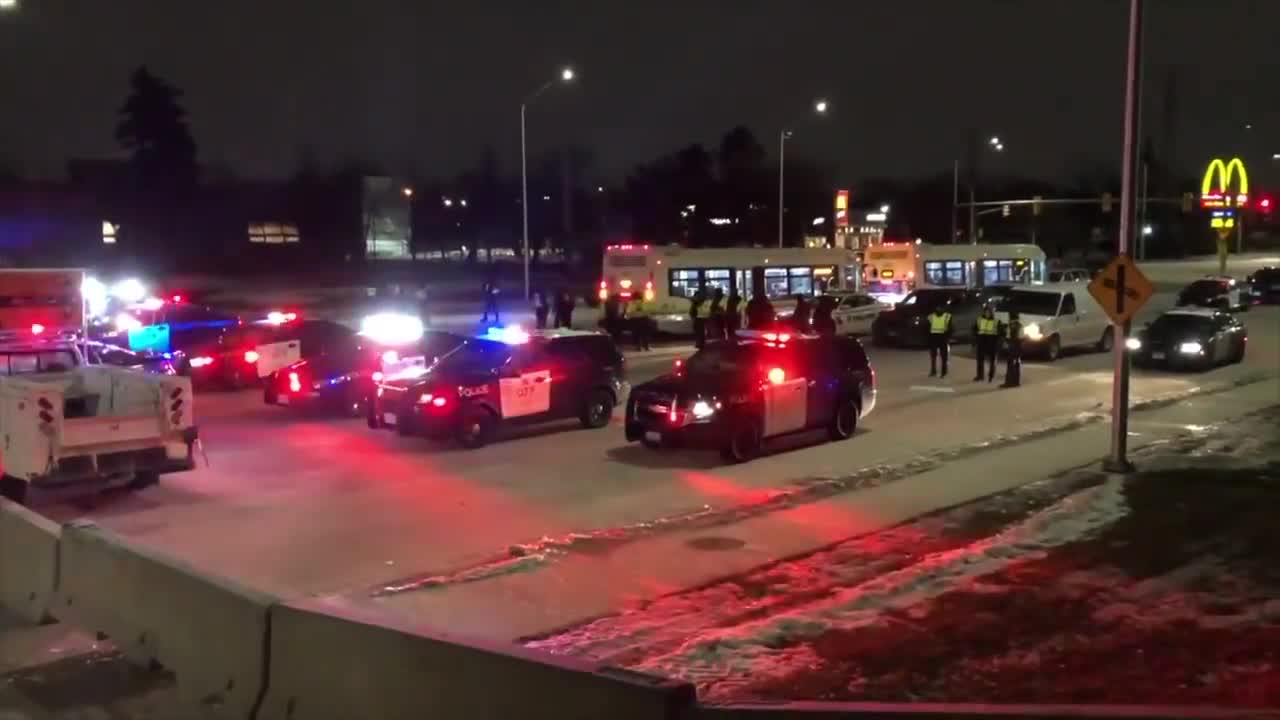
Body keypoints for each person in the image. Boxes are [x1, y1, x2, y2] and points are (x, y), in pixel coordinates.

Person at [972, 303, 1000, 382]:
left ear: (991, 312)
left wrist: (997, 341)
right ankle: (980, 376)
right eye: (986, 312)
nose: (987, 313)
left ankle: (991, 375)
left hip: (992, 343)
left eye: (989, 312)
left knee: (992, 361)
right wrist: (976, 338)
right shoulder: (979, 320)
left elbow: (1000, 333)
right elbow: (974, 330)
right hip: (982, 342)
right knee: (980, 360)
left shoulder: (996, 321)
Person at [927, 303, 953, 378]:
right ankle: (933, 371)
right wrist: (928, 339)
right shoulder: (931, 317)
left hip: (943, 338)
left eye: (940, 307)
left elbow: (950, 328)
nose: (939, 309)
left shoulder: (947, 316)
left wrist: (947, 336)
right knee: (933, 356)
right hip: (933, 338)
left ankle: (943, 372)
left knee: (944, 356)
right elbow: (927, 328)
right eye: (937, 307)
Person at [1001, 310, 1024, 388]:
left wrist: (1007, 343)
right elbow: (1022, 337)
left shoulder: (1010, 325)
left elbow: (1007, 337)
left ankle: (1009, 382)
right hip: (1018, 348)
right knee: (1017, 364)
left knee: (1010, 364)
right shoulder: (1020, 325)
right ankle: (1016, 381)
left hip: (1012, 348)